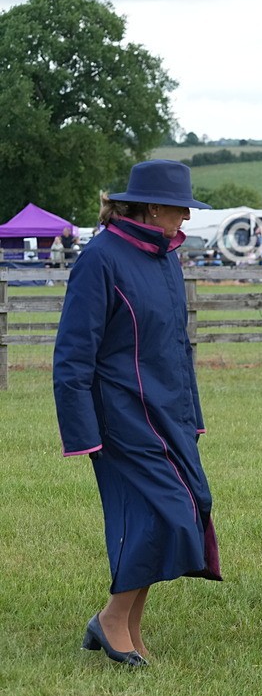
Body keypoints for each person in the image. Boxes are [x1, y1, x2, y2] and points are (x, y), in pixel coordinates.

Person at [53, 159, 221, 668]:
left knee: (190, 506)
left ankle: (122, 623)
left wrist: (191, 413)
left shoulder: (167, 256)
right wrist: (83, 432)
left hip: (169, 413)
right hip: (120, 418)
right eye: (179, 209)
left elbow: (177, 343)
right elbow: (72, 355)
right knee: (167, 515)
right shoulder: (99, 259)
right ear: (151, 207)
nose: (185, 220)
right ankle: (111, 622)